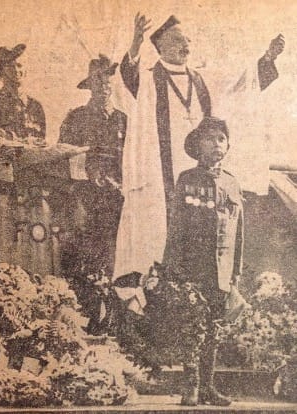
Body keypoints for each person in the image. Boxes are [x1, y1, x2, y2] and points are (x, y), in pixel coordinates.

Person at [113, 14, 284, 279]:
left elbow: (241, 88)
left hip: (198, 177)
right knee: (157, 239)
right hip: (160, 178)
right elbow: (125, 81)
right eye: (178, 40)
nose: (186, 44)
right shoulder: (147, 81)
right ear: (160, 46)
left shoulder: (203, 81)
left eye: (188, 39)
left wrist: (267, 59)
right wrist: (135, 44)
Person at [163, 116, 243, 406]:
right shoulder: (187, 180)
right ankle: (191, 386)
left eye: (221, 138)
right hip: (192, 267)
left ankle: (208, 386)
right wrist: (174, 267)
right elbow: (177, 227)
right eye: (210, 138)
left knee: (213, 328)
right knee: (192, 326)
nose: (216, 144)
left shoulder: (232, 183)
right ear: (198, 145)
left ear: (228, 145)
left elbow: (238, 233)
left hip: (220, 270)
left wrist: (235, 274)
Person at [59, 54, 127, 334]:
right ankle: (83, 328)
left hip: (116, 203)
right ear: (90, 84)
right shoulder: (75, 118)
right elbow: (63, 159)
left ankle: (113, 329)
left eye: (109, 77)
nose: (105, 83)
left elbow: (133, 162)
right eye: (99, 77)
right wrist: (90, 172)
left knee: (113, 263)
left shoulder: (124, 120)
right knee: (82, 264)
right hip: (84, 203)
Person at [0, 44, 46, 141]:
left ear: (26, 70)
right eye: (10, 66)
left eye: (19, 65)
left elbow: (41, 141)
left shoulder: (35, 106)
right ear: (1, 71)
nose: (16, 70)